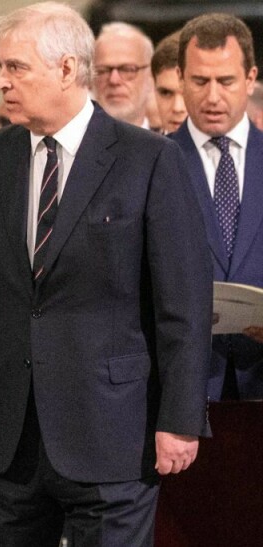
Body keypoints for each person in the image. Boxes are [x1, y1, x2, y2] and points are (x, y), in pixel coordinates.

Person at [0, 3, 212, 546]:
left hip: (113, 433)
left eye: (15, 67)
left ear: (65, 69)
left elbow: (183, 305)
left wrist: (179, 418)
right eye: (0, 66)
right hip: (10, 435)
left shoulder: (148, 159)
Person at [168, 13, 263, 399]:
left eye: (225, 81)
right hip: (181, 391)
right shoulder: (150, 164)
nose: (212, 97)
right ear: (179, 77)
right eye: (200, 81)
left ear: (251, 79)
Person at [93, 22, 155, 128]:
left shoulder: (174, 142)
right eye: (103, 70)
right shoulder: (71, 143)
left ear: (151, 77)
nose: (114, 80)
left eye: (128, 70)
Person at [151, 31, 187, 135]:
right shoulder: (138, 150)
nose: (177, 108)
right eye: (165, 93)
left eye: (187, 93)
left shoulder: (234, 150)